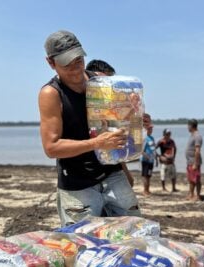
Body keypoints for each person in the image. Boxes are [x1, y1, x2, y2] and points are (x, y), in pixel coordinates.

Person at [38, 30, 141, 226]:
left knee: (135, 234)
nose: (76, 69)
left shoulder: (101, 83)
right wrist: (96, 143)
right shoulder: (51, 94)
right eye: (67, 64)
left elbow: (118, 125)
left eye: (78, 61)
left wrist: (136, 118)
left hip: (113, 175)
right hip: (78, 186)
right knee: (82, 245)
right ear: (51, 63)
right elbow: (51, 148)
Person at [85, 59, 134, 188]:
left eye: (110, 83)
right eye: (102, 82)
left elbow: (115, 142)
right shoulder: (82, 104)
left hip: (111, 172)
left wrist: (125, 172)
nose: (106, 87)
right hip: (85, 179)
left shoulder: (111, 110)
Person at [186, 119, 203, 201]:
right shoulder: (192, 135)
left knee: (196, 179)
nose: (187, 127)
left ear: (191, 126)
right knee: (191, 179)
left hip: (194, 161)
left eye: (188, 125)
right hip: (190, 161)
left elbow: (197, 151)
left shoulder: (197, 136)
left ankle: (198, 196)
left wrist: (195, 163)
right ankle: (191, 194)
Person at [141, 124, 156, 196]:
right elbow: (141, 150)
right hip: (145, 161)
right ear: (146, 130)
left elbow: (153, 149)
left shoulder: (152, 138)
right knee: (145, 175)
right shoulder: (145, 138)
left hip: (151, 161)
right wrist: (145, 155)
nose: (151, 130)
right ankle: (144, 190)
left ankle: (148, 190)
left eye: (151, 129)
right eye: (149, 129)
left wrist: (156, 157)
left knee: (149, 175)